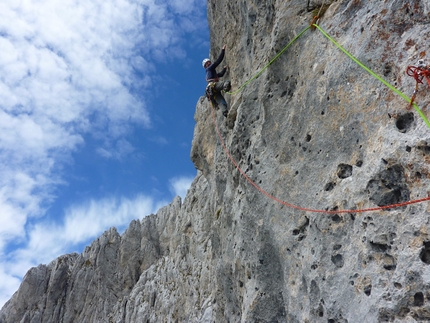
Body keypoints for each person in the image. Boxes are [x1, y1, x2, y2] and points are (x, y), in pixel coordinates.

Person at [202, 45, 231, 117]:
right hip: (213, 86)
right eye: (207, 63)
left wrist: (224, 69)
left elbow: (220, 74)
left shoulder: (210, 73)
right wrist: (223, 50)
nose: (209, 63)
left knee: (222, 102)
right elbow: (218, 61)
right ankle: (226, 87)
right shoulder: (209, 68)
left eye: (209, 62)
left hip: (213, 92)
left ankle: (225, 113)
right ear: (206, 66)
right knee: (226, 83)